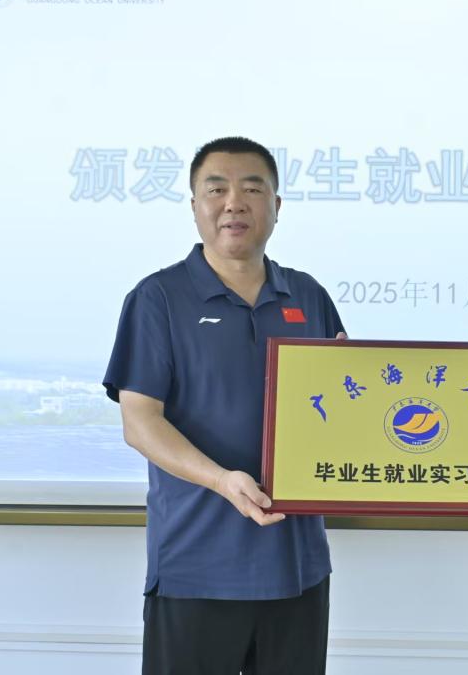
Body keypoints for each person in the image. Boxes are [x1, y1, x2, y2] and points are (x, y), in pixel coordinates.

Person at [103, 136, 345, 675]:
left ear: (276, 206)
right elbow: (140, 422)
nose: (234, 202)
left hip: (297, 568)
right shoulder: (158, 298)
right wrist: (221, 480)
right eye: (216, 189)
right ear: (195, 206)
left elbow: (344, 407)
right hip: (196, 565)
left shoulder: (308, 296)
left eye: (252, 189)